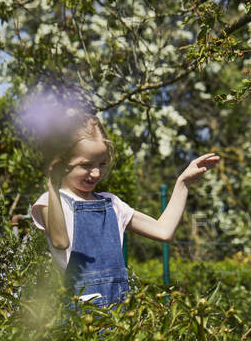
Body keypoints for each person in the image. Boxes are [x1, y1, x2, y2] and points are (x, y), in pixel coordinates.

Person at [31, 110, 220, 307]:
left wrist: (182, 183)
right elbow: (60, 241)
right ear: (61, 164)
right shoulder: (51, 202)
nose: (96, 173)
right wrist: (52, 185)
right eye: (86, 165)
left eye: (102, 164)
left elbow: (163, 231)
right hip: (80, 310)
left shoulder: (112, 204)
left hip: (119, 309)